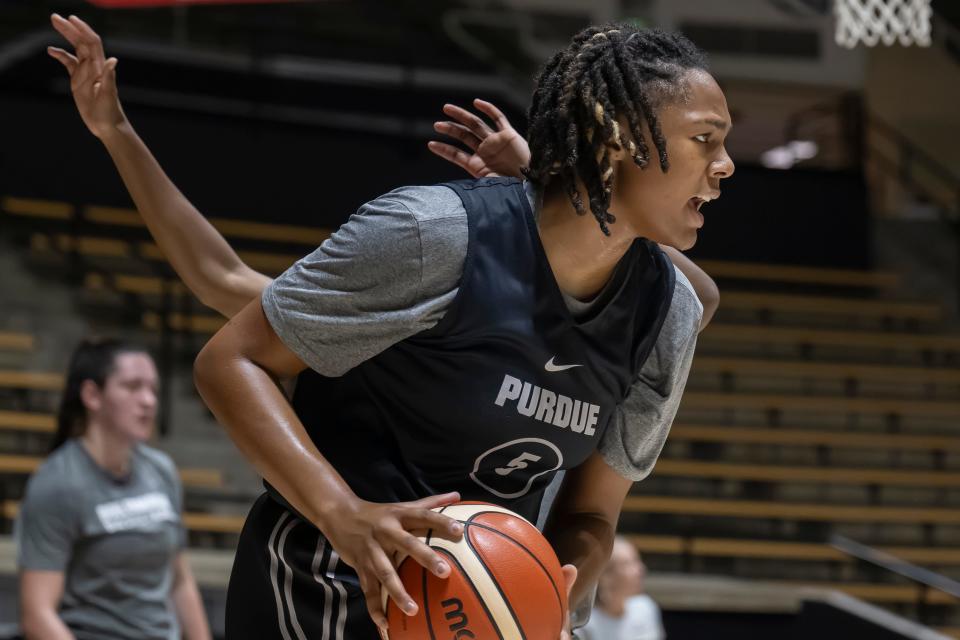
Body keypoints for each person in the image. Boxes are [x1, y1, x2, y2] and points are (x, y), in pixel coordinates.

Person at [47, 14, 732, 639]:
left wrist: (548, 594)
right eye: (706, 140)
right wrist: (341, 512)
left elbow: (596, 510)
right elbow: (222, 289)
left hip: (472, 609)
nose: (727, 165)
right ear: (617, 138)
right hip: (330, 586)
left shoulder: (659, 314)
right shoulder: (431, 240)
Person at [15, 338, 211, 640]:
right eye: (133, 387)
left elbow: (179, 580)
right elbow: (38, 615)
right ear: (92, 395)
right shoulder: (57, 484)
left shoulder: (161, 470)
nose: (148, 401)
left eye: (153, 390)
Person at [580, 536, 665, 640]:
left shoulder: (646, 608)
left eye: (637, 561)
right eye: (628, 564)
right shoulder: (586, 625)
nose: (641, 569)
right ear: (605, 576)